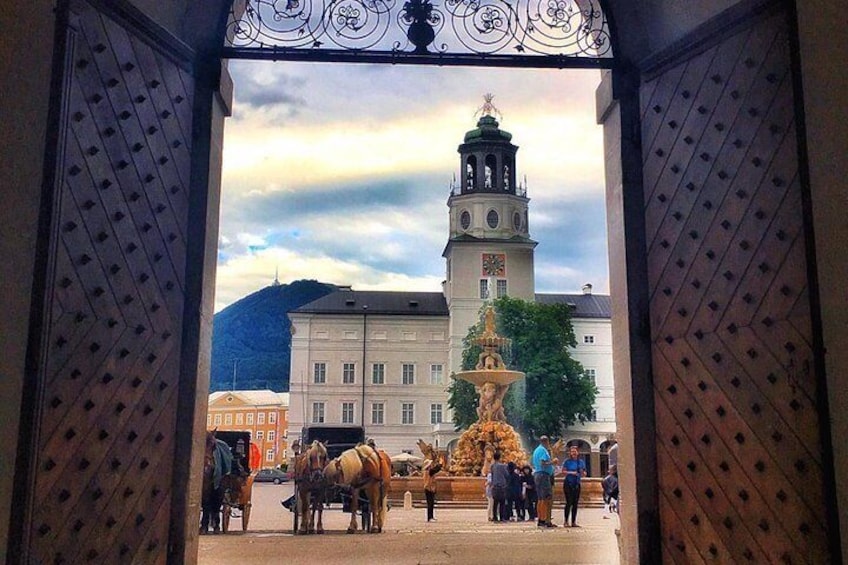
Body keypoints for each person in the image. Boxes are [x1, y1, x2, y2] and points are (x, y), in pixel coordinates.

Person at [531, 436, 558, 528]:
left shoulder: (536, 450)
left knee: (540, 498)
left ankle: (540, 519)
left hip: (537, 474)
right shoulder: (543, 450)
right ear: (546, 442)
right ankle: (543, 520)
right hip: (543, 475)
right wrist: (552, 462)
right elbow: (543, 463)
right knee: (546, 498)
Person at [562, 445, 587, 527]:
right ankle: (566, 521)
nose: (573, 453)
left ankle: (573, 522)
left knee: (575, 503)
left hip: (576, 484)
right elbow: (563, 471)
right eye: (572, 451)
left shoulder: (581, 462)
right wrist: (572, 473)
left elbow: (583, 473)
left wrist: (583, 473)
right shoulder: (567, 461)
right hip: (568, 483)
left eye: (575, 451)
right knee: (569, 502)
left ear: (577, 452)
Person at [422, 451, 443, 522]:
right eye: (430, 464)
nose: (431, 465)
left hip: (430, 488)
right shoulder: (429, 471)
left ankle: (431, 517)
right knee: (430, 503)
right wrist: (440, 463)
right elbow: (436, 469)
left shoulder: (427, 471)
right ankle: (429, 517)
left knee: (431, 503)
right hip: (429, 489)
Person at [489, 451, 509, 522]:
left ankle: (495, 517)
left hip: (495, 486)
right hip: (502, 486)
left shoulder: (492, 466)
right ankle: (502, 517)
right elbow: (507, 475)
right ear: (500, 458)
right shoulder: (502, 466)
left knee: (495, 503)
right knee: (502, 503)